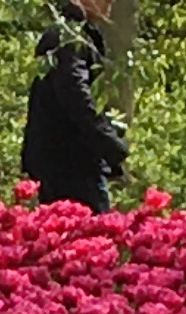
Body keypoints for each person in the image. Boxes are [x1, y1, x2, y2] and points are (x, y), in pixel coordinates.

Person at [18, 0, 125, 212]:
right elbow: (75, 95)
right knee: (93, 229)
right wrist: (111, 145)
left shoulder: (78, 34)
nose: (110, 2)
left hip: (66, 160)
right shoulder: (68, 38)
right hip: (70, 163)